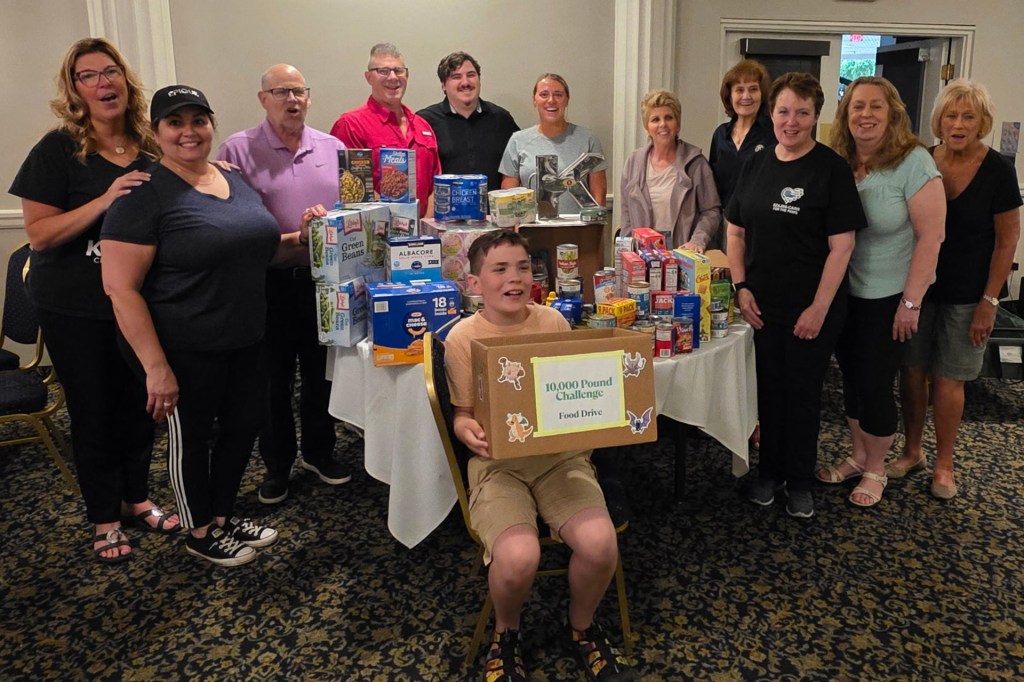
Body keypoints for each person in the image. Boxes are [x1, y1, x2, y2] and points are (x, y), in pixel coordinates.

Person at [100, 85, 308, 567]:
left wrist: (300, 239)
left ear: (212, 125)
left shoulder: (233, 180)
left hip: (247, 336)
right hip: (183, 345)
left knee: (242, 429)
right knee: (192, 438)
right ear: (157, 133)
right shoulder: (142, 195)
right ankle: (199, 529)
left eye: (199, 120)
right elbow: (120, 289)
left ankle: (221, 515)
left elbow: (258, 249)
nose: (189, 132)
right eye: (176, 123)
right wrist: (155, 367)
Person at [8, 38, 180, 565]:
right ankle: (105, 517)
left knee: (139, 405)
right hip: (75, 305)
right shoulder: (58, 149)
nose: (104, 84)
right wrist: (105, 199)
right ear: (75, 90)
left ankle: (137, 498)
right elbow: (38, 235)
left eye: (111, 73)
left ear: (126, 82)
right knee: (92, 411)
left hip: (137, 304)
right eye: (89, 76)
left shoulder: (151, 147)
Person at [445, 230, 634, 681]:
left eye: (523, 267)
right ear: (474, 284)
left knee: (600, 544)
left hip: (560, 460)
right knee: (518, 558)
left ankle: (582, 628)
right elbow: (462, 415)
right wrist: (464, 428)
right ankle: (506, 633)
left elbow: (573, 392)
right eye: (500, 269)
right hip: (498, 466)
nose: (514, 278)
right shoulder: (462, 338)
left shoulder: (553, 322)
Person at [726, 72, 865, 519]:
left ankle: (800, 480)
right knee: (768, 391)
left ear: (816, 116)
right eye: (784, 111)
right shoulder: (757, 162)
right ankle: (770, 474)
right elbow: (735, 231)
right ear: (772, 113)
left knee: (802, 394)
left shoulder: (831, 168)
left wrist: (819, 308)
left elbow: (842, 246)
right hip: (761, 304)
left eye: (802, 112)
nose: (791, 121)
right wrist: (740, 287)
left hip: (814, 306)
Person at [217, 64, 351, 506]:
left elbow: (351, 214)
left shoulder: (334, 148)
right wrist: (296, 235)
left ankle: (318, 452)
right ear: (263, 99)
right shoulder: (237, 150)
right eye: (280, 92)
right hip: (266, 285)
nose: (291, 100)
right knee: (271, 381)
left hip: (322, 282)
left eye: (299, 91)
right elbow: (230, 225)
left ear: (309, 98)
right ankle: (277, 467)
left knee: (320, 376)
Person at [816, 76, 945, 508]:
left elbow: (931, 238)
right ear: (845, 114)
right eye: (856, 107)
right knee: (851, 381)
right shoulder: (838, 159)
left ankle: (876, 467)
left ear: (892, 113)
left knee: (874, 384)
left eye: (875, 106)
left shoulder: (914, 162)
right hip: (844, 293)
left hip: (890, 298)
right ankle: (857, 456)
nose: (865, 115)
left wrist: (912, 302)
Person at [897, 79, 1021, 499]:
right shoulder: (922, 159)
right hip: (919, 288)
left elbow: (1007, 241)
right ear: (939, 120)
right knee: (912, 373)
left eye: (968, 116)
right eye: (951, 115)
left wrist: (990, 301)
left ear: (982, 121)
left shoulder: (999, 170)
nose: (958, 124)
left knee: (950, 379)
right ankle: (912, 450)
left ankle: (944, 462)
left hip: (968, 294)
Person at [330, 43, 441, 218]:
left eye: (398, 71)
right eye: (383, 71)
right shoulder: (351, 124)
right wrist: (400, 224)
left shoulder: (423, 126)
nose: (392, 77)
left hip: (422, 239)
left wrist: (424, 228)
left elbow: (436, 185)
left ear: (407, 75)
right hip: (375, 236)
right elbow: (354, 189)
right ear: (368, 77)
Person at [619, 88, 721, 251]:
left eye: (669, 118)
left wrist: (697, 241)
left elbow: (711, 211)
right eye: (655, 119)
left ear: (678, 124)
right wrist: (627, 251)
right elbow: (626, 216)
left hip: (684, 255)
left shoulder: (696, 163)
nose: (663, 124)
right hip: (644, 256)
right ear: (647, 128)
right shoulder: (633, 162)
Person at [499, 73, 607, 215]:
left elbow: (599, 196)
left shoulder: (588, 139)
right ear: (534, 100)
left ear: (567, 100)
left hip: (579, 231)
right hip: (530, 232)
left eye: (558, 95)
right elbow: (509, 196)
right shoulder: (517, 141)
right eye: (544, 94)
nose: (551, 100)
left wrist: (594, 227)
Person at [416, 51, 519, 189]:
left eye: (471, 75)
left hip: (493, 210)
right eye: (456, 77)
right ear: (443, 85)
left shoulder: (501, 119)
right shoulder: (424, 122)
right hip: (443, 209)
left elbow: (518, 166)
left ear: (479, 79)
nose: (465, 82)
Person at [709, 59, 777, 219]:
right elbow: (712, 184)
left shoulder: (773, 134)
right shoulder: (720, 135)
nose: (746, 96)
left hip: (760, 220)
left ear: (763, 94)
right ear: (730, 95)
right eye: (739, 90)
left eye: (753, 89)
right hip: (723, 220)